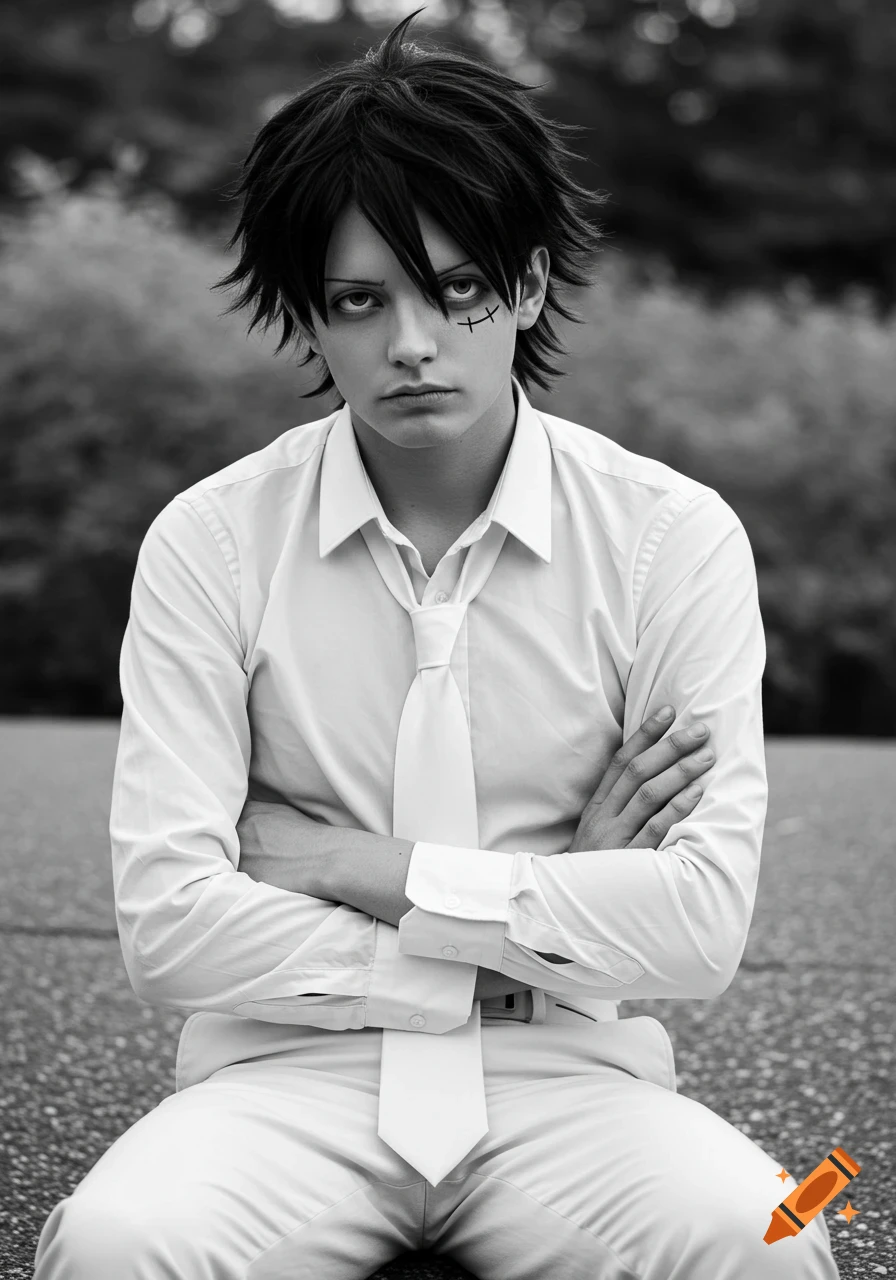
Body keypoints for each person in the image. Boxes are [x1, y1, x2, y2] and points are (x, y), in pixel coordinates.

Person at [33, 8, 840, 1278]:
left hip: (570, 1073)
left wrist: (358, 862)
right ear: (309, 314)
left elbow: (693, 929)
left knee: (775, 1240)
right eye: (360, 300)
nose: (408, 342)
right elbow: (171, 930)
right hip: (283, 1071)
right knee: (115, 1242)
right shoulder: (212, 541)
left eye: (455, 287)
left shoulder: (666, 538)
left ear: (522, 285)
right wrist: (533, 918)